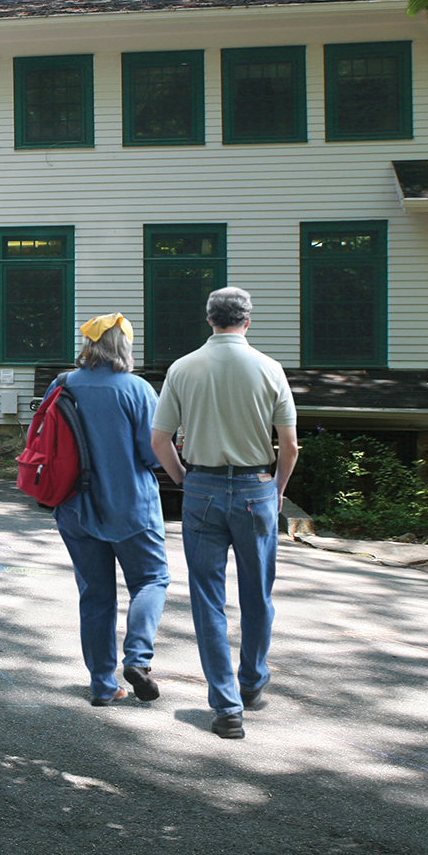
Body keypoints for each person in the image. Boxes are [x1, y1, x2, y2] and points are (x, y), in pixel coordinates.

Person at [150, 286, 299, 741]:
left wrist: (182, 479)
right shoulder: (269, 369)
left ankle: (225, 707)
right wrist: (276, 489)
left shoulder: (183, 368)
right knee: (257, 594)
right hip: (256, 488)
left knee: (208, 601)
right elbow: (289, 445)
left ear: (209, 320)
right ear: (248, 320)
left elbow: (160, 441)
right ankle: (251, 681)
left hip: (203, 489)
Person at [45, 314, 169, 708]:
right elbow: (152, 455)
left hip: (75, 507)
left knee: (96, 596)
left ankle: (103, 685)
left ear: (89, 345)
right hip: (132, 507)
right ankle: (138, 659)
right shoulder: (138, 390)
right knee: (151, 580)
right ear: (124, 347)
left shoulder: (61, 384)